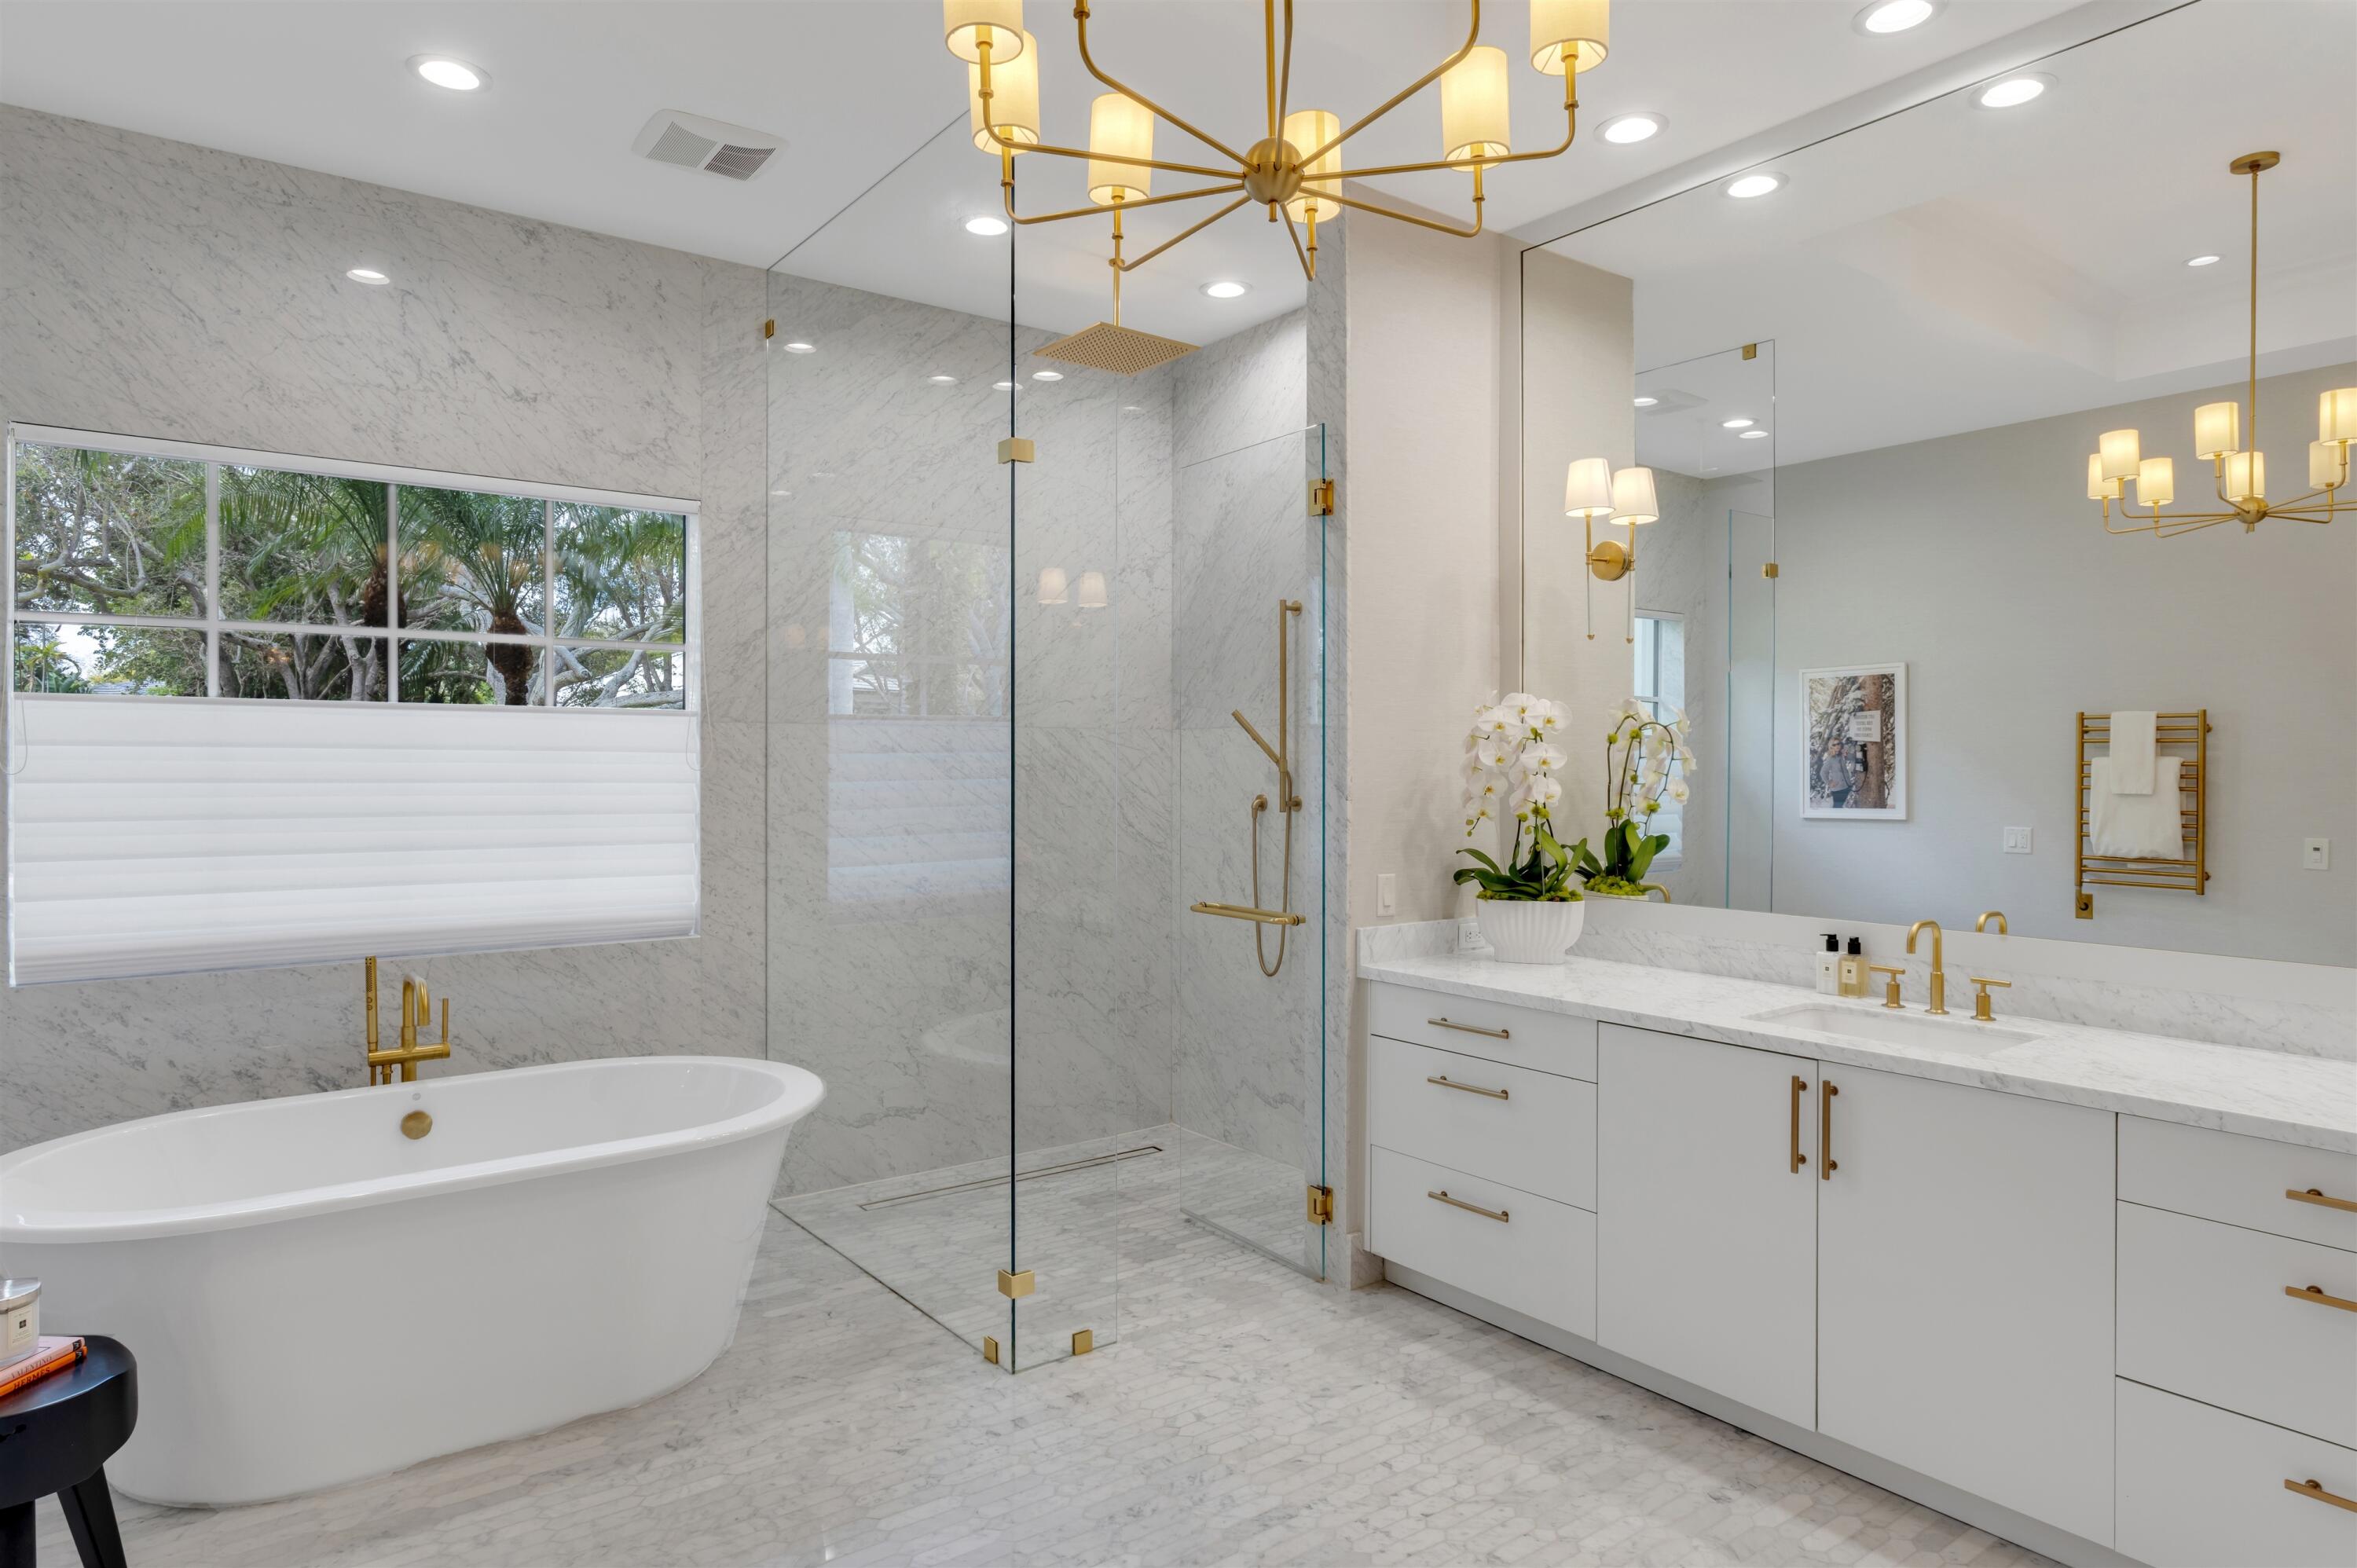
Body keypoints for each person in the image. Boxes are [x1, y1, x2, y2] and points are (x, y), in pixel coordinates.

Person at [1820, 738, 1854, 809]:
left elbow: (1853, 758)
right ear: (1831, 746)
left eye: (1838, 744)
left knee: (1841, 808)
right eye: (1834, 745)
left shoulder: (1841, 755)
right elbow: (1823, 772)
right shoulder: (1831, 759)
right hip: (1838, 789)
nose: (1837, 746)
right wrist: (1829, 783)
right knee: (1837, 808)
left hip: (1847, 787)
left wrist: (1846, 754)